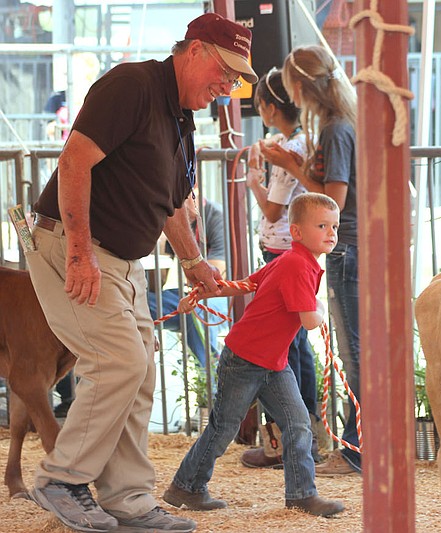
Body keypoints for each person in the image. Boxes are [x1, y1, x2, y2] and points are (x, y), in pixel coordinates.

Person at [25, 13, 257, 533]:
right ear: (193, 51)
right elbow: (74, 164)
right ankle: (61, 479)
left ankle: (127, 498)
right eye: (224, 71)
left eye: (236, 78)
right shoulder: (132, 84)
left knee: (139, 368)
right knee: (118, 360)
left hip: (121, 259)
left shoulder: (181, 115)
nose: (227, 86)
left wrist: (195, 262)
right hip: (76, 246)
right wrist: (81, 253)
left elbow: (171, 205)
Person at [162, 193, 345, 518]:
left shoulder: (292, 261)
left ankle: (302, 494)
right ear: (297, 232)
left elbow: (245, 284)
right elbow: (309, 321)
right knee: (224, 427)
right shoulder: (297, 265)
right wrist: (319, 306)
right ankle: (186, 487)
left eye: (334, 226)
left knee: (298, 423)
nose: (331, 233)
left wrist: (208, 290)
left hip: (271, 361)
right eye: (322, 226)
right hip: (246, 359)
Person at [265, 45, 360, 476]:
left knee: (354, 353)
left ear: (301, 86)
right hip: (351, 246)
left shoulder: (336, 129)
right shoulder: (337, 124)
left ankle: (357, 452)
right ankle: (356, 448)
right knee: (353, 350)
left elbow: (331, 202)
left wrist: (291, 165)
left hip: (348, 246)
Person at [241, 68, 322, 468]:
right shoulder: (305, 141)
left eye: (261, 106)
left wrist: (253, 180)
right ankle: (303, 434)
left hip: (281, 254)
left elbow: (273, 208)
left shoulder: (286, 149)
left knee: (283, 349)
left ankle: (289, 439)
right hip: (294, 252)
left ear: (271, 108)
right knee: (295, 347)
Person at [148, 195, 228, 368]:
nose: (176, 207)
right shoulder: (175, 220)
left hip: (222, 296)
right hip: (187, 293)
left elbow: (215, 279)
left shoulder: (216, 217)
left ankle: (212, 375)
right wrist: (159, 242)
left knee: (195, 312)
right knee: (142, 304)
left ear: (193, 192)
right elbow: (161, 280)